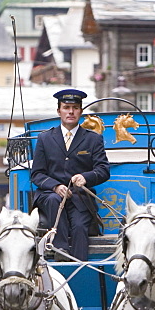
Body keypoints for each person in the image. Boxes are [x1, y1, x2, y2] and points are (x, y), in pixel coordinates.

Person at [30, 88, 111, 260]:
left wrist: (85, 177)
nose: (71, 111)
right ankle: (60, 251)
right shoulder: (45, 138)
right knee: (53, 200)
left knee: (81, 227)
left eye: (75, 107)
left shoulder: (93, 139)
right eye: (66, 107)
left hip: (80, 197)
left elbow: (103, 170)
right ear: (59, 111)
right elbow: (36, 174)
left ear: (81, 111)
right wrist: (55, 186)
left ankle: (80, 266)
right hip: (50, 196)